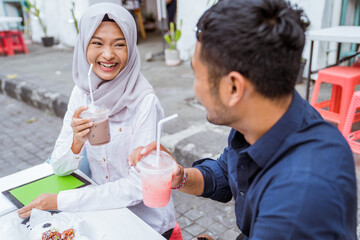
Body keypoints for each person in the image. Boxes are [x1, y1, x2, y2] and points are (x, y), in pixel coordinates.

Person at [128, 0, 357, 239]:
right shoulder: (258, 123)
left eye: (197, 74)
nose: (195, 89)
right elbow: (226, 174)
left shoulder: (299, 196)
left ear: (234, 87)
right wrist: (179, 176)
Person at [17, 3, 175, 238]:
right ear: (84, 46)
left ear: (131, 47)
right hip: (100, 214)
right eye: (97, 43)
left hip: (145, 223)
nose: (108, 54)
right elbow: (59, 168)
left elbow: (137, 185)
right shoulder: (82, 92)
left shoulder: (143, 101)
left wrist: (59, 200)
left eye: (119, 44)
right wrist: (76, 142)